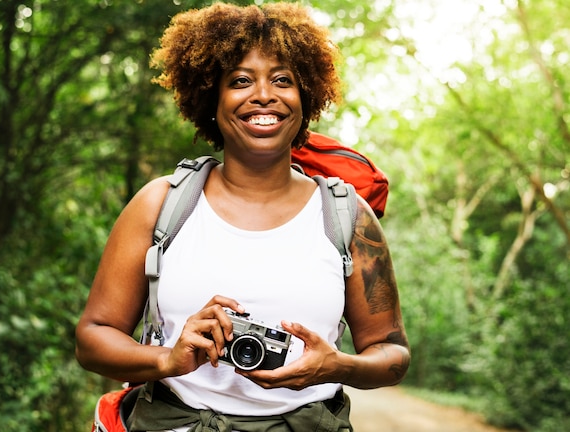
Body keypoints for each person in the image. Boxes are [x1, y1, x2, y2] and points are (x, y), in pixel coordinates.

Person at [75, 2, 410, 431]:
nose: (264, 95)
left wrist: (336, 366)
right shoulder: (162, 204)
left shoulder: (348, 217)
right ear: (210, 99)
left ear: (306, 98)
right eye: (240, 80)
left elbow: (393, 355)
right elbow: (92, 338)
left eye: (283, 80)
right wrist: (167, 358)